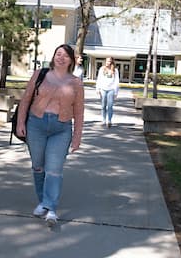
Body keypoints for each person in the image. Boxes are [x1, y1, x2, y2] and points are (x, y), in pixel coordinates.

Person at [16, 44, 84, 227]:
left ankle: (51, 208)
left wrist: (77, 137)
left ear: (71, 60)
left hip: (61, 129)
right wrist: (20, 122)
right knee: (38, 166)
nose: (61, 57)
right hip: (36, 124)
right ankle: (43, 202)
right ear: (53, 56)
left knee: (54, 169)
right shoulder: (40, 74)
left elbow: (78, 112)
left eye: (65, 55)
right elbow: (26, 100)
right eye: (58, 54)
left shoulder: (76, 82)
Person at [95, 56, 119, 127]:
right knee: (103, 106)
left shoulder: (115, 70)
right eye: (107, 61)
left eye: (109, 61)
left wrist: (116, 92)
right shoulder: (102, 69)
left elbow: (116, 81)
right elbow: (99, 79)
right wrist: (97, 88)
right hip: (103, 89)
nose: (108, 62)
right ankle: (103, 120)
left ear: (112, 62)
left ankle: (109, 120)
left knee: (110, 106)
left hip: (111, 90)